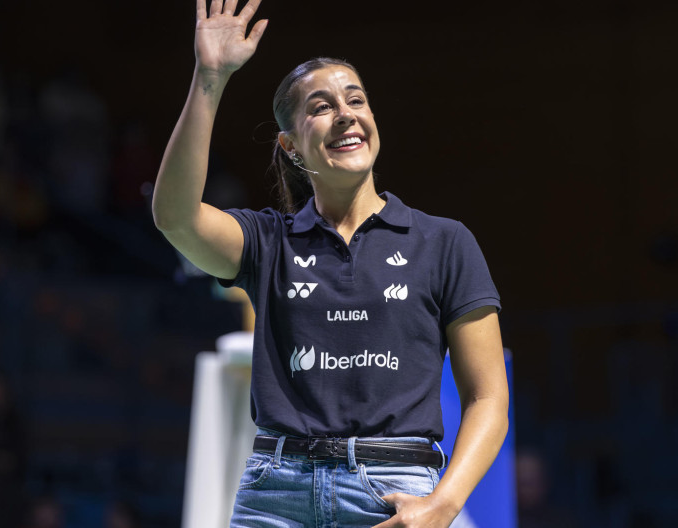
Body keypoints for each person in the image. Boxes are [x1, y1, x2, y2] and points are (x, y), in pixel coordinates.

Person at [150, 0, 510, 527]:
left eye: (356, 100)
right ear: (292, 147)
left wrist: (445, 502)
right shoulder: (266, 242)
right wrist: (210, 76)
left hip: (394, 494)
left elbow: (487, 396)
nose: (345, 113)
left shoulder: (446, 242)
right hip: (274, 497)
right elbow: (174, 216)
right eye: (320, 106)